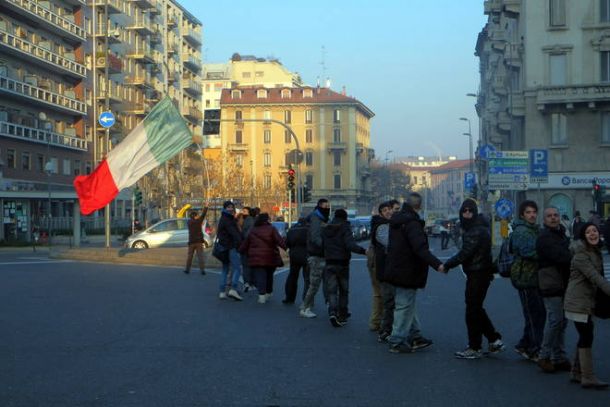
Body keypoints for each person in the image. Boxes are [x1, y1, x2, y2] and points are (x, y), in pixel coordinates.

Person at [442, 199, 505, 359]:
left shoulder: (475, 230)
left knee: (472, 311)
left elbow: (465, 253)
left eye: (470, 211)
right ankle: (494, 339)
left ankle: (474, 347)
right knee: (476, 308)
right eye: (465, 211)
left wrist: (447, 265)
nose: (467, 213)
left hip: (478, 274)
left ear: (475, 212)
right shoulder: (477, 227)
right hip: (480, 273)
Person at [384, 193, 443, 353]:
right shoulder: (412, 223)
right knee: (404, 305)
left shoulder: (397, 221)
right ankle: (397, 340)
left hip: (396, 267)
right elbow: (420, 248)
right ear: (419, 206)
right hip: (407, 269)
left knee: (407, 303)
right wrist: (437, 264)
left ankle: (415, 335)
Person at [564, 223, 610, 389]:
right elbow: (595, 277)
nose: (592, 234)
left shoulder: (594, 251)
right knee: (586, 335)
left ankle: (577, 372)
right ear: (583, 236)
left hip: (586, 300)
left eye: (595, 231)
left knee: (586, 334)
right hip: (578, 301)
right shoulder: (581, 255)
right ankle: (588, 376)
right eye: (588, 232)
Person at [535, 206, 572, 373]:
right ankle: (544, 356)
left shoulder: (561, 233)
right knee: (555, 320)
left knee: (562, 322)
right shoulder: (544, 237)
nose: (553, 218)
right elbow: (561, 257)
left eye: (556, 215)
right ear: (544, 220)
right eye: (549, 216)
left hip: (563, 283)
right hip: (551, 283)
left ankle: (559, 357)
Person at [511, 200, 545, 361]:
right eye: (528, 212)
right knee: (534, 315)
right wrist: (548, 254)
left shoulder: (532, 229)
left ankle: (524, 344)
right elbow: (528, 252)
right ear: (522, 215)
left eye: (534, 212)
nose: (532, 215)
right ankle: (534, 349)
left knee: (535, 314)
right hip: (525, 278)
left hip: (533, 277)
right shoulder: (522, 231)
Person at [322, 209, 366, 327]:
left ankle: (332, 312)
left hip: (329, 262)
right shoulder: (345, 227)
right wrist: (363, 251)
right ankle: (342, 313)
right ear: (345, 218)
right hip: (342, 263)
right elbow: (350, 244)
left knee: (331, 290)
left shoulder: (326, 228)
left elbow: (321, 244)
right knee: (343, 290)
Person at [240, 213, 286, 304]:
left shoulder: (253, 230)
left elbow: (246, 243)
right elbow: (279, 240)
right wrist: (286, 248)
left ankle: (261, 296)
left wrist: (240, 250)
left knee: (260, 276)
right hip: (270, 257)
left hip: (256, 257)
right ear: (267, 220)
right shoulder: (272, 229)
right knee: (269, 276)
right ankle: (268, 292)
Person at [300, 198, 330, 318]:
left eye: (328, 206)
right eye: (325, 206)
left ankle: (308, 306)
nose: (327, 208)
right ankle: (305, 307)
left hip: (319, 254)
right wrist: (326, 246)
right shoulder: (316, 219)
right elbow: (315, 237)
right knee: (314, 285)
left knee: (320, 283)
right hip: (317, 255)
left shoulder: (320, 218)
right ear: (319, 207)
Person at [370, 201, 395, 342]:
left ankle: (387, 328)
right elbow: (390, 244)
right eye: (385, 210)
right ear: (381, 213)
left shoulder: (388, 224)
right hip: (385, 269)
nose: (388, 212)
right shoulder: (381, 227)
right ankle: (385, 330)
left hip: (388, 268)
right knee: (388, 300)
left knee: (389, 300)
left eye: (389, 209)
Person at [216, 200, 243, 301]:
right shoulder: (228, 219)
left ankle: (222, 292)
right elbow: (234, 234)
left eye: (232, 207)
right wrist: (241, 242)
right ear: (225, 208)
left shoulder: (223, 218)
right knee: (237, 268)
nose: (231, 209)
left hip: (223, 247)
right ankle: (233, 289)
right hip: (230, 247)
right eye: (229, 207)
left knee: (225, 269)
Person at [283, 217, 310, 304]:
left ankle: (289, 297)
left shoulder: (292, 229)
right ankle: (306, 299)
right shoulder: (308, 229)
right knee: (307, 278)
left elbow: (286, 243)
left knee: (292, 276)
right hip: (307, 255)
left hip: (294, 255)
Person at [183, 203, 208, 275]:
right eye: (197, 215)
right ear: (195, 216)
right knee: (200, 256)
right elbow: (203, 215)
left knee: (190, 256)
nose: (198, 216)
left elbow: (200, 216)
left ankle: (187, 269)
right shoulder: (198, 221)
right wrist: (206, 207)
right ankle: (202, 270)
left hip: (191, 242)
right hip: (199, 242)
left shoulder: (189, 222)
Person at [240, 207, 256, 292]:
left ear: (249, 212)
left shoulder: (248, 220)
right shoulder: (245, 219)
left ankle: (248, 283)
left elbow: (247, 234)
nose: (243, 212)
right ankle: (250, 283)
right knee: (249, 265)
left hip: (247, 246)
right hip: (248, 246)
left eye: (244, 211)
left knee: (246, 265)